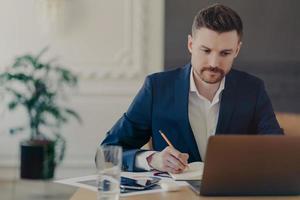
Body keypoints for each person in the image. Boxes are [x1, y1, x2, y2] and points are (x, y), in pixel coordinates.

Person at [101, 3, 283, 174]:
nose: (214, 63)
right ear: (190, 45)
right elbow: (107, 152)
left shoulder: (253, 89)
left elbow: (277, 150)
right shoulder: (157, 88)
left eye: (225, 53)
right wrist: (152, 160)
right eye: (206, 50)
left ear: (237, 50)